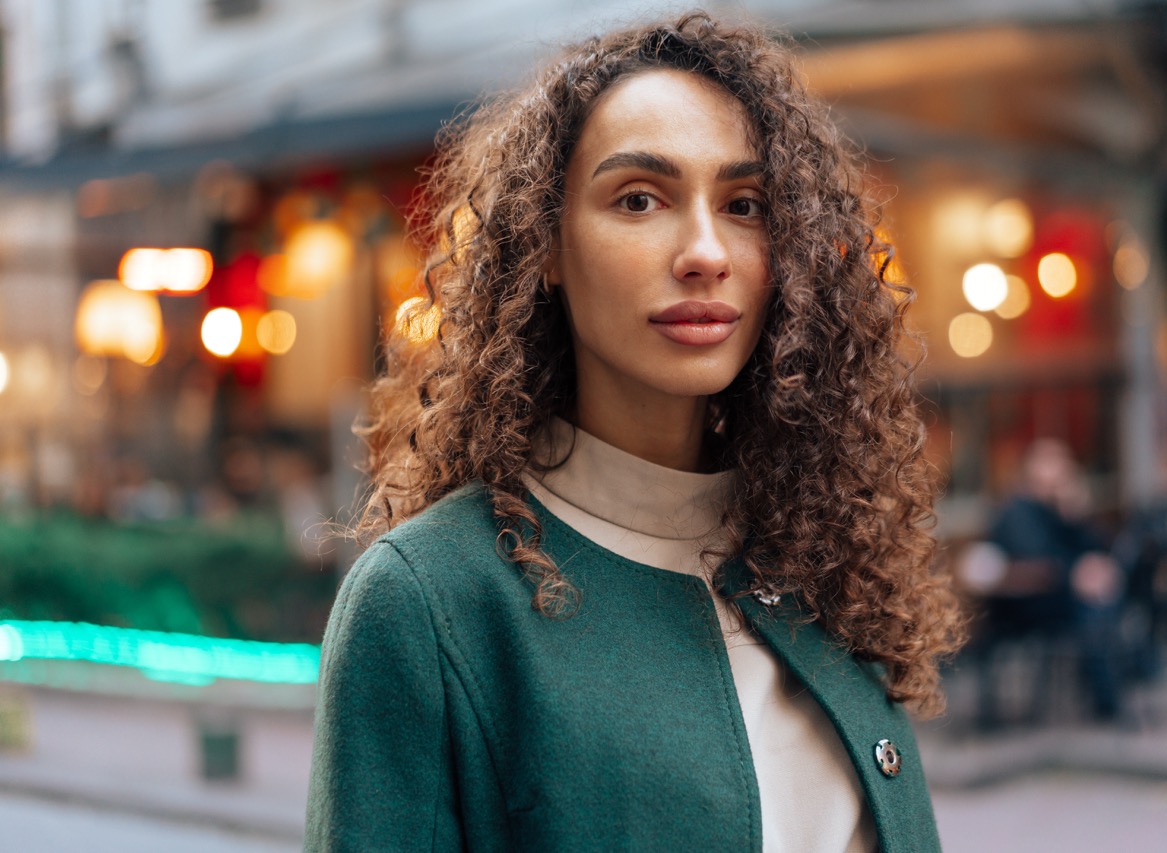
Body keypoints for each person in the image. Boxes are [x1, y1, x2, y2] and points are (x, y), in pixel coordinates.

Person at [305, 13, 963, 852]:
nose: (703, 251)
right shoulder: (429, 602)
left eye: (745, 204)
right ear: (545, 244)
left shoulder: (823, 557)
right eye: (640, 198)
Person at [977, 438, 1128, 727]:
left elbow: (1090, 546)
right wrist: (1077, 574)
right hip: (1020, 608)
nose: (1061, 471)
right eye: (1052, 463)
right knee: (1095, 609)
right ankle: (1107, 697)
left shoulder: (1056, 509)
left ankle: (1116, 683)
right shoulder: (1017, 509)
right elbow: (1034, 559)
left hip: (1055, 598)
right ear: (1033, 469)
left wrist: (1075, 514)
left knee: (1104, 600)